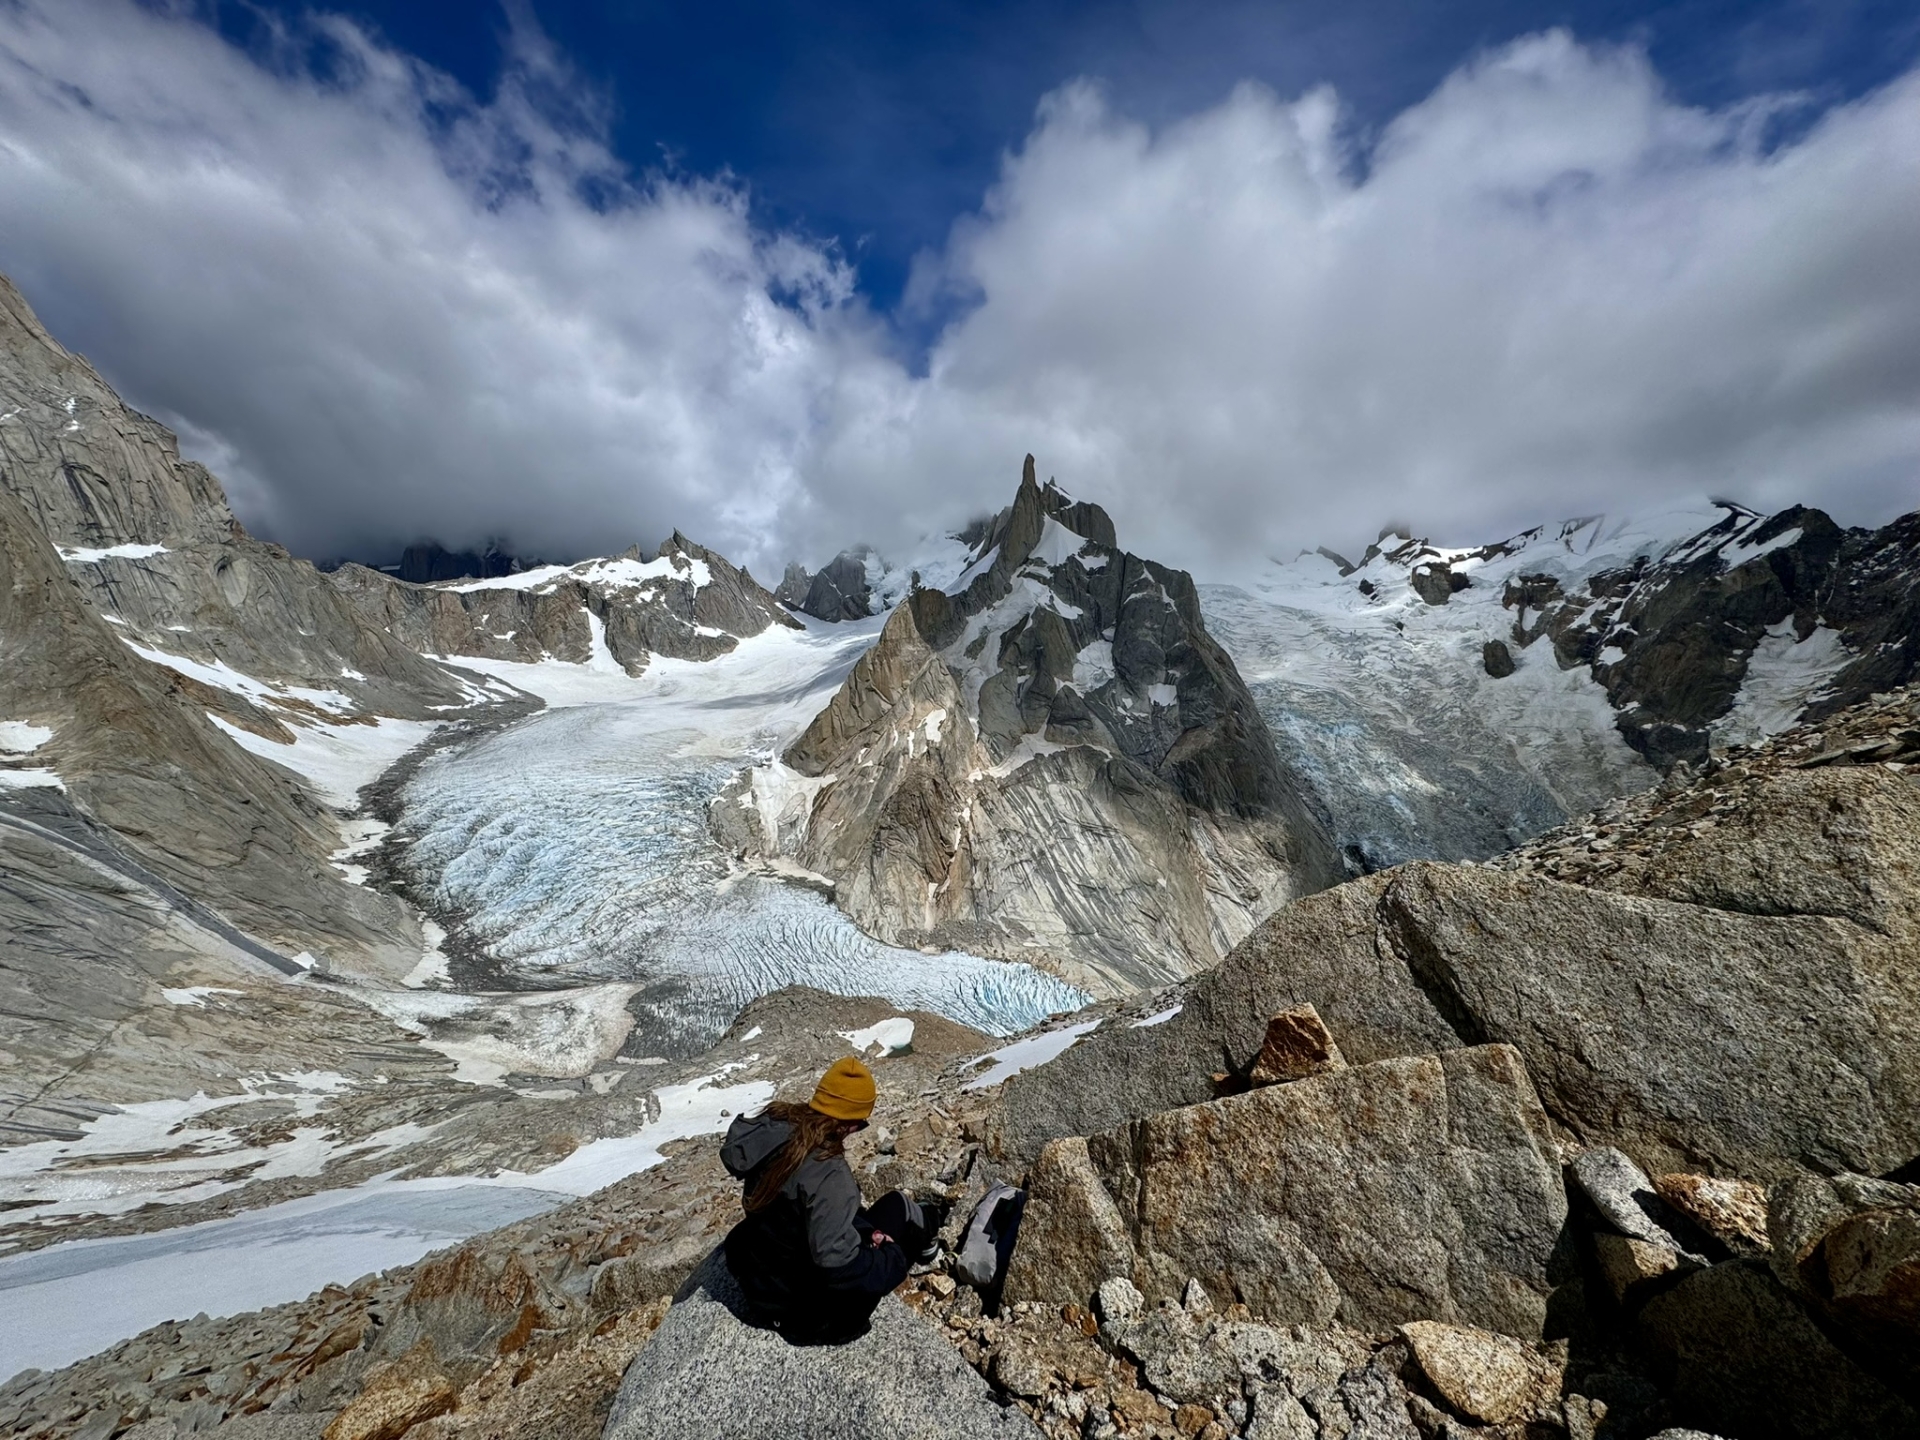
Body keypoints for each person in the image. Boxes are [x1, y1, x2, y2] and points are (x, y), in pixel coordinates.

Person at [720, 1055, 943, 1343]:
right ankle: (928, 1240)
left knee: (868, 1217)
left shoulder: (776, 1127)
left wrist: (864, 1232)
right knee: (898, 1207)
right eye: (859, 1123)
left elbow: (799, 1217)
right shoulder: (829, 1174)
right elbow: (839, 1267)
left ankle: (923, 1230)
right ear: (847, 1124)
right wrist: (892, 1256)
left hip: (762, 1283)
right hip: (805, 1314)